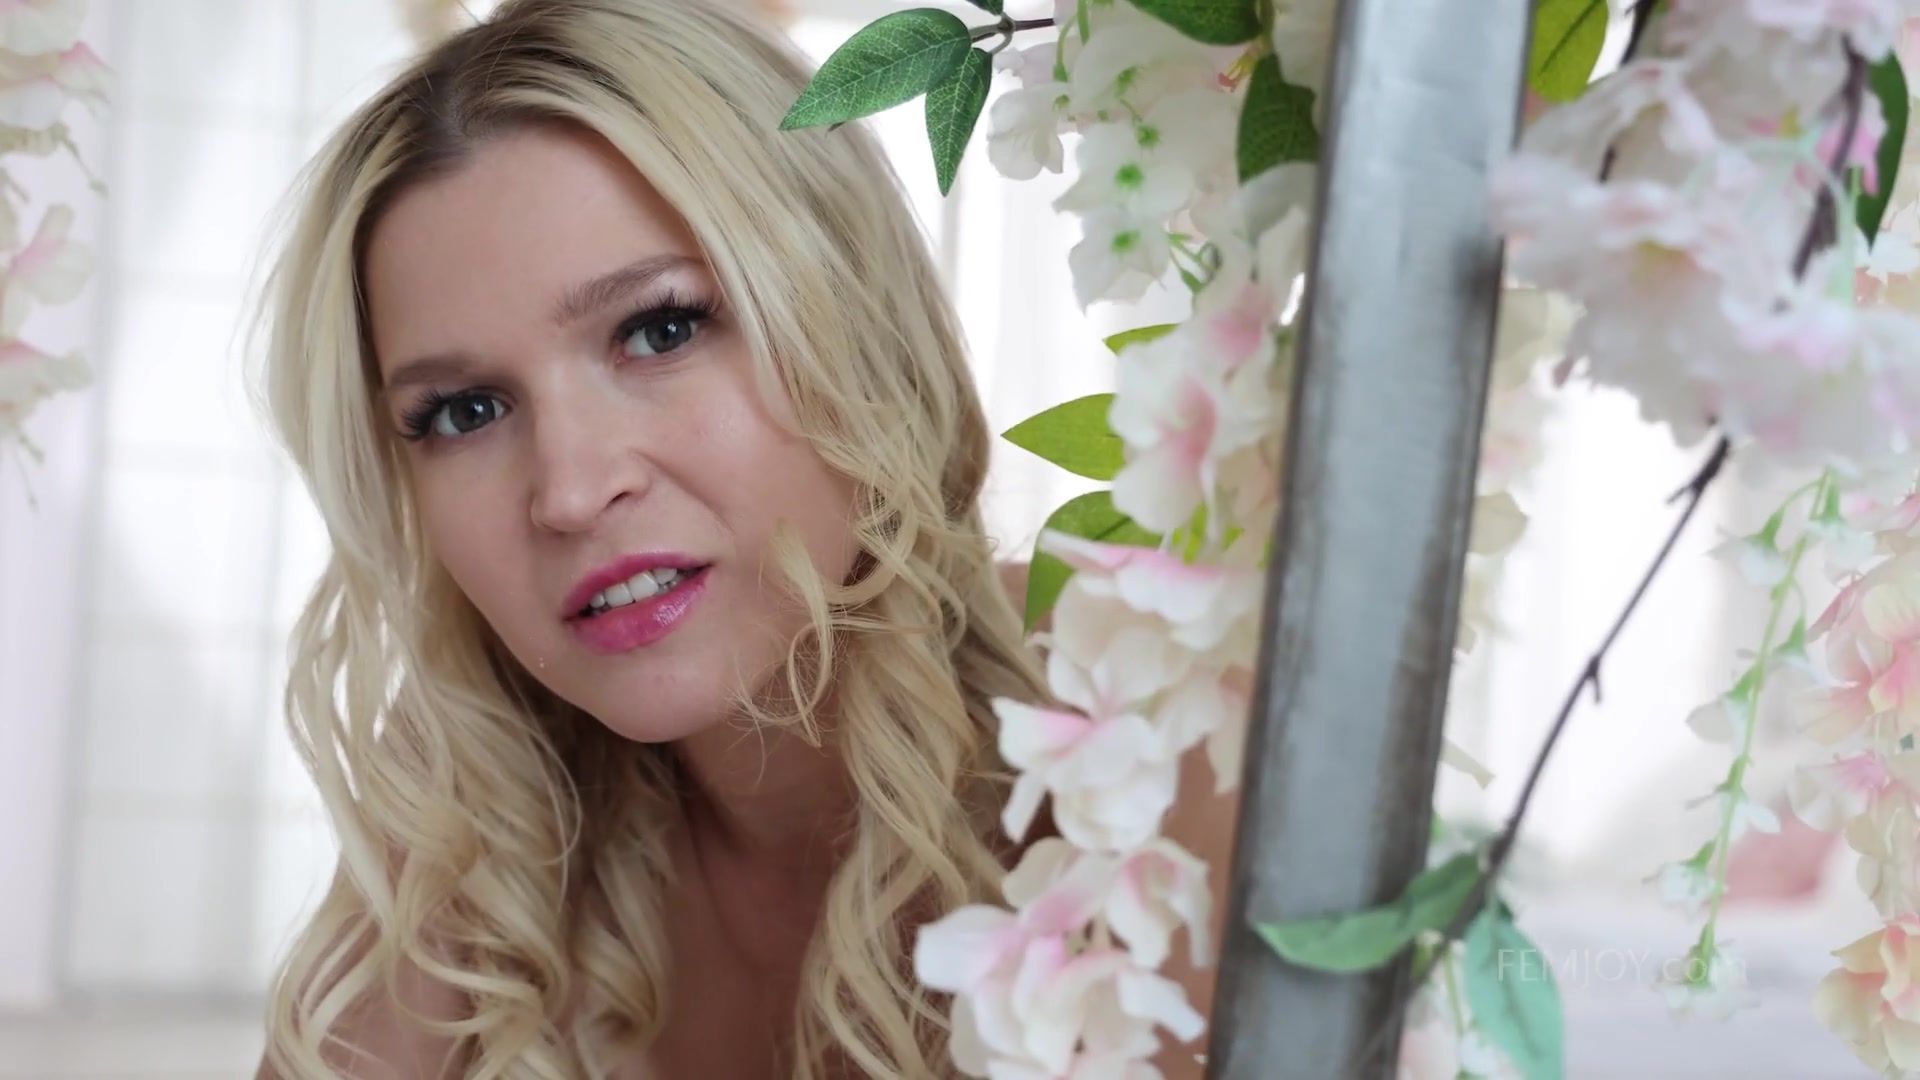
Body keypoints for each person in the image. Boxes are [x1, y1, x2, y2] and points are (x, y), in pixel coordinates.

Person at [251, 0, 1236, 1076]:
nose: (570, 492)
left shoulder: (1163, 710)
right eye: (464, 412)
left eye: (660, 329)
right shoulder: (488, 823)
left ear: (855, 320)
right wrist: (439, 812)